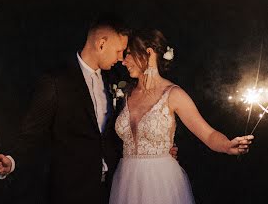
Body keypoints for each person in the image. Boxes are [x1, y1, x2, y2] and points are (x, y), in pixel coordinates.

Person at [0, 16, 175, 204]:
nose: (121, 59)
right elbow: (32, 134)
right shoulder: (56, 82)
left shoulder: (116, 79)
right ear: (101, 44)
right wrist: (11, 161)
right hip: (71, 192)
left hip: (115, 189)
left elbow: (125, 126)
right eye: (119, 51)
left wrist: (155, 146)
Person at [109, 29, 254, 204]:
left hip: (160, 182)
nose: (124, 62)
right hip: (125, 182)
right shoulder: (125, 94)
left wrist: (226, 145)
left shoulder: (173, 94)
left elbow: (207, 134)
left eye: (129, 54)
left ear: (148, 52)